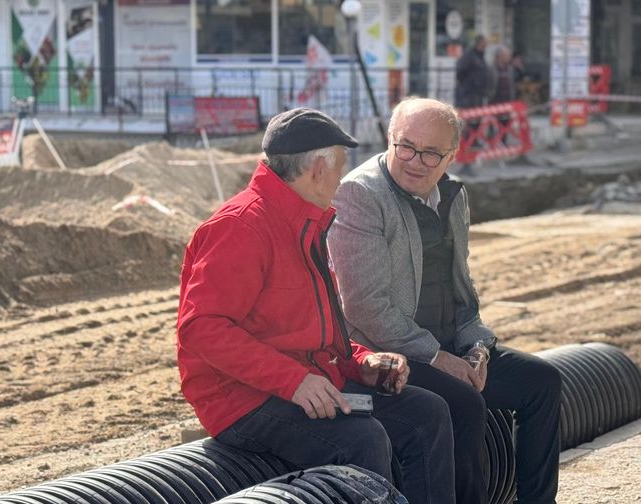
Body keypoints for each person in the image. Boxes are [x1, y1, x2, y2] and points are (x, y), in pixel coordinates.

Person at [176, 107, 456, 504]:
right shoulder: (242, 226)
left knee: (427, 414)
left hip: (307, 380)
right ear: (318, 169)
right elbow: (201, 328)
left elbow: (314, 332)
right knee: (362, 440)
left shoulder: (303, 222)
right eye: (340, 167)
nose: (342, 178)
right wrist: (292, 381)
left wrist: (361, 362)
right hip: (243, 398)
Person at [329, 97, 562, 504]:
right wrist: (439, 359)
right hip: (391, 356)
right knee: (464, 403)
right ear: (389, 139)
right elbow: (365, 307)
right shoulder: (359, 195)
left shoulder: (452, 195)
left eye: (431, 153)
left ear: (452, 155)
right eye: (406, 146)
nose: (415, 161)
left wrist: (476, 348)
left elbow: (461, 288)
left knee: (542, 382)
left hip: (449, 346)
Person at [455, 34, 491, 108]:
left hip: (479, 93)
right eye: (485, 41)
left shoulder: (480, 56)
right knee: (470, 116)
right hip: (470, 93)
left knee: (477, 115)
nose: (487, 44)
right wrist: (468, 84)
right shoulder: (469, 56)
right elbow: (460, 72)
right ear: (480, 42)